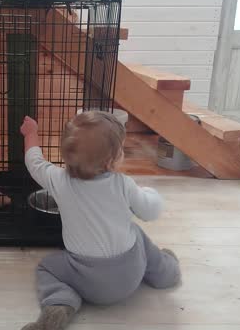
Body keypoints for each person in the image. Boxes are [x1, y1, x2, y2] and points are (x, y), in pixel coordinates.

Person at [20, 111, 181, 330]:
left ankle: (60, 303)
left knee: (46, 267)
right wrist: (150, 193)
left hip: (85, 280)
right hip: (130, 276)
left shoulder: (58, 180)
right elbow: (151, 212)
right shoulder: (123, 184)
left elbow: (34, 163)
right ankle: (166, 273)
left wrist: (31, 133)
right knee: (137, 235)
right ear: (112, 160)